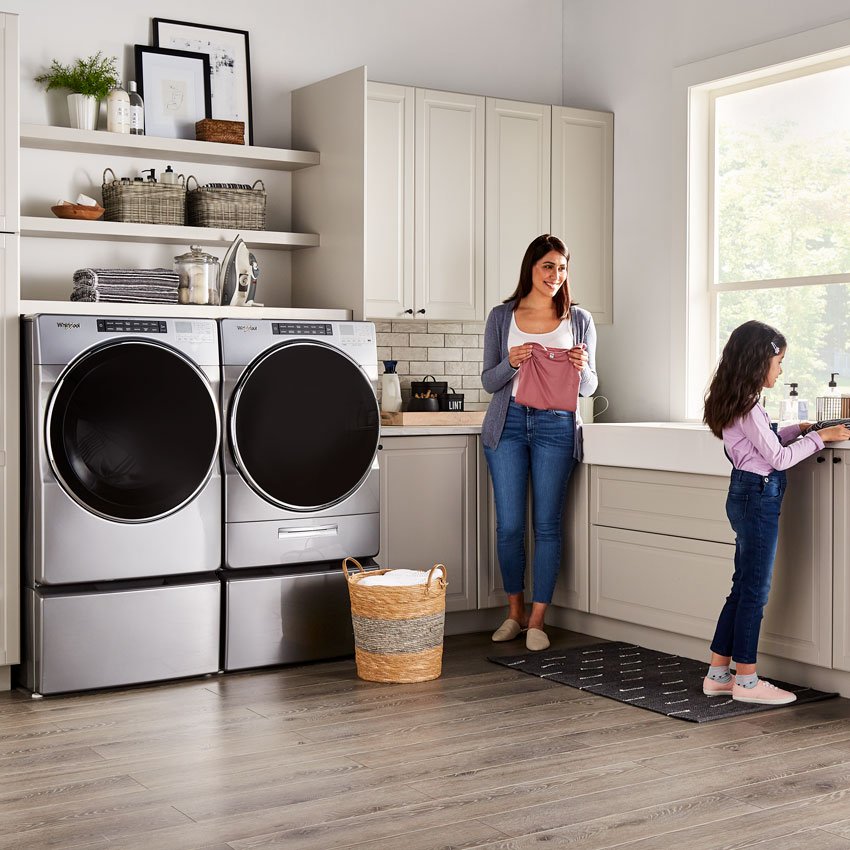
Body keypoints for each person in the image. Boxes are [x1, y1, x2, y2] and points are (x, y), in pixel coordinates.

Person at [702, 320, 850, 705]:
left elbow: (761, 444)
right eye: (779, 361)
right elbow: (779, 459)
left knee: (742, 586)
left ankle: (719, 672)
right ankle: (746, 681)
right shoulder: (748, 407)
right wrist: (821, 437)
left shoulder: (736, 402)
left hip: (744, 492)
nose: (781, 370)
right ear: (759, 361)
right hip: (759, 496)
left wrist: (797, 428)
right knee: (755, 590)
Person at [481, 234, 598, 651]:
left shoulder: (579, 319)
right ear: (531, 267)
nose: (555, 275)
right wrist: (510, 363)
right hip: (507, 425)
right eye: (548, 266)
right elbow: (488, 380)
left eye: (562, 267)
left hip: (557, 428)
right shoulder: (501, 316)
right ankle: (513, 613)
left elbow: (588, 388)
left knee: (547, 526)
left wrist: (582, 368)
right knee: (509, 525)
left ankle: (537, 620)